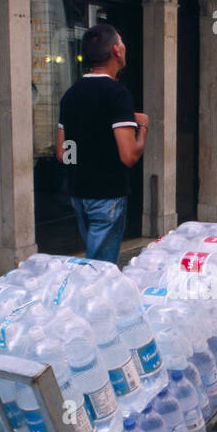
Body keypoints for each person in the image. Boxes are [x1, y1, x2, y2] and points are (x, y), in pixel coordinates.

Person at [56, 23, 149, 263]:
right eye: (122, 43)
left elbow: (62, 153)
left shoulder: (71, 94)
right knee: (100, 271)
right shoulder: (117, 94)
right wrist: (143, 130)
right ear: (117, 51)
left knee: (93, 262)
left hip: (79, 192)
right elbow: (128, 156)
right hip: (107, 193)